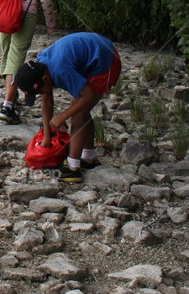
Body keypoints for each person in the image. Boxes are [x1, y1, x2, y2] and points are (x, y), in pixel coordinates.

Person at [14, 32, 121, 183]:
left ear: (45, 80)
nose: (40, 94)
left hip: (106, 61)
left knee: (78, 113)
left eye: (37, 92)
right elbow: (47, 101)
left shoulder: (59, 71)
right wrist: (46, 133)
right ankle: (88, 158)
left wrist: (62, 116)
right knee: (80, 110)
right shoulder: (42, 67)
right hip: (91, 56)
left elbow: (88, 96)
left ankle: (72, 168)